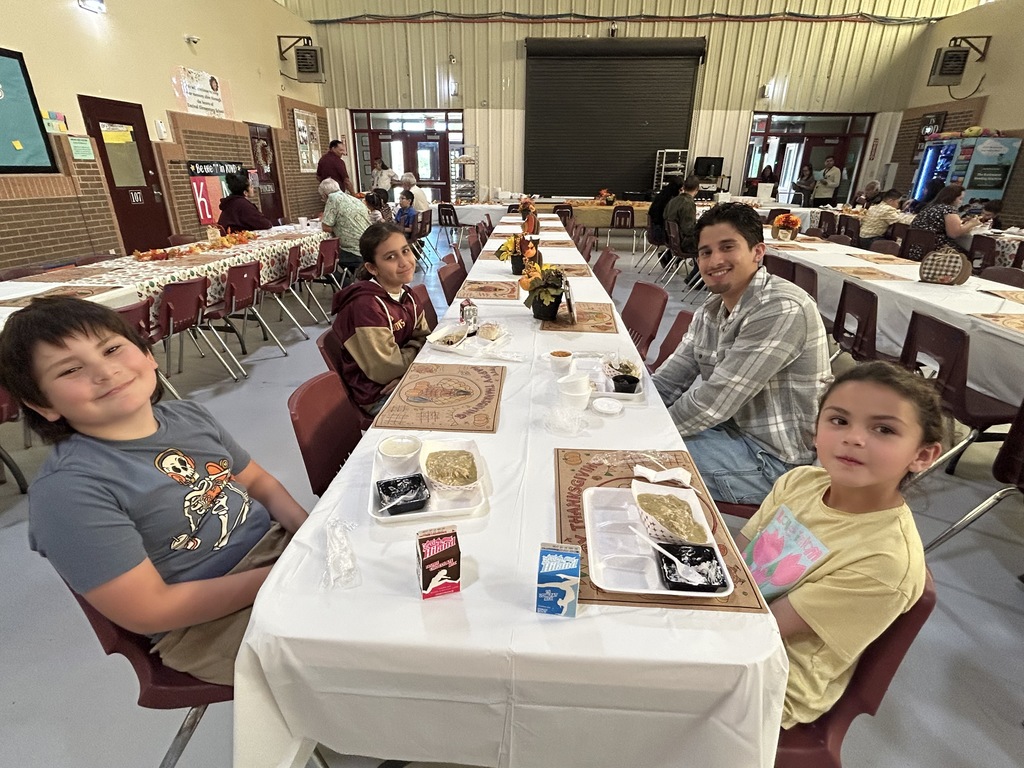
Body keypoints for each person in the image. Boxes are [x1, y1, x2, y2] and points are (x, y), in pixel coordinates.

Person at [0, 298, 309, 686]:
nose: (105, 371)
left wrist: (310, 535)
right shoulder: (69, 491)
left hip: (278, 556)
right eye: (71, 369)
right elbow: (150, 610)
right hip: (208, 625)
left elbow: (259, 483)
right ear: (42, 404)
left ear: (148, 355)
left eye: (112, 349)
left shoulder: (187, 416)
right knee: (360, 641)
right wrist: (284, 576)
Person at [735, 361, 943, 729]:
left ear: (922, 456)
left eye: (884, 429)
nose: (854, 438)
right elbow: (733, 559)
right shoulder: (800, 482)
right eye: (839, 420)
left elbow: (764, 628)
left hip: (769, 681)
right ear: (816, 430)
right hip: (737, 619)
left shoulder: (884, 561)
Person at [652, 202, 830, 505]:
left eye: (727, 247)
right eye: (705, 252)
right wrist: (634, 410)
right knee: (626, 444)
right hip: (730, 432)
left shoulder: (781, 308)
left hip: (776, 462)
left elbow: (714, 402)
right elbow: (670, 380)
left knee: (640, 459)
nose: (714, 260)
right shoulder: (711, 310)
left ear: (758, 252)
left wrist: (646, 430)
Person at [329, 222, 430, 415]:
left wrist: (409, 372)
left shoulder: (407, 295)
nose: (404, 262)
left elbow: (427, 339)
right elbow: (386, 370)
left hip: (405, 378)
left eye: (405, 251)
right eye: (391, 257)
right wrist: (416, 361)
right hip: (377, 394)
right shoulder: (366, 307)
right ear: (372, 268)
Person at [909, 183, 982, 260]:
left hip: (915, 249)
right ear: (952, 198)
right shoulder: (948, 209)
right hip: (935, 251)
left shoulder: (930, 207)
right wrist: (972, 223)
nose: (961, 202)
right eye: (960, 199)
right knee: (969, 254)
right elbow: (954, 234)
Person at [322, 188, 373, 278]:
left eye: (322, 197)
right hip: (366, 247)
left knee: (324, 261)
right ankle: (350, 278)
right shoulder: (353, 199)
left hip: (354, 251)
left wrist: (336, 227)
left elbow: (325, 227)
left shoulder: (333, 197)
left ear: (325, 195)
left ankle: (345, 283)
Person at [663, 174, 700, 254]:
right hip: (684, 244)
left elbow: (665, 216)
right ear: (697, 189)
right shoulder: (688, 203)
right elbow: (688, 230)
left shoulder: (673, 200)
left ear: (684, 187)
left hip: (671, 240)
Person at [648, 175, 684, 246]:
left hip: (654, 229)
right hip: (661, 233)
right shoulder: (671, 200)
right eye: (680, 190)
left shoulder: (662, 195)